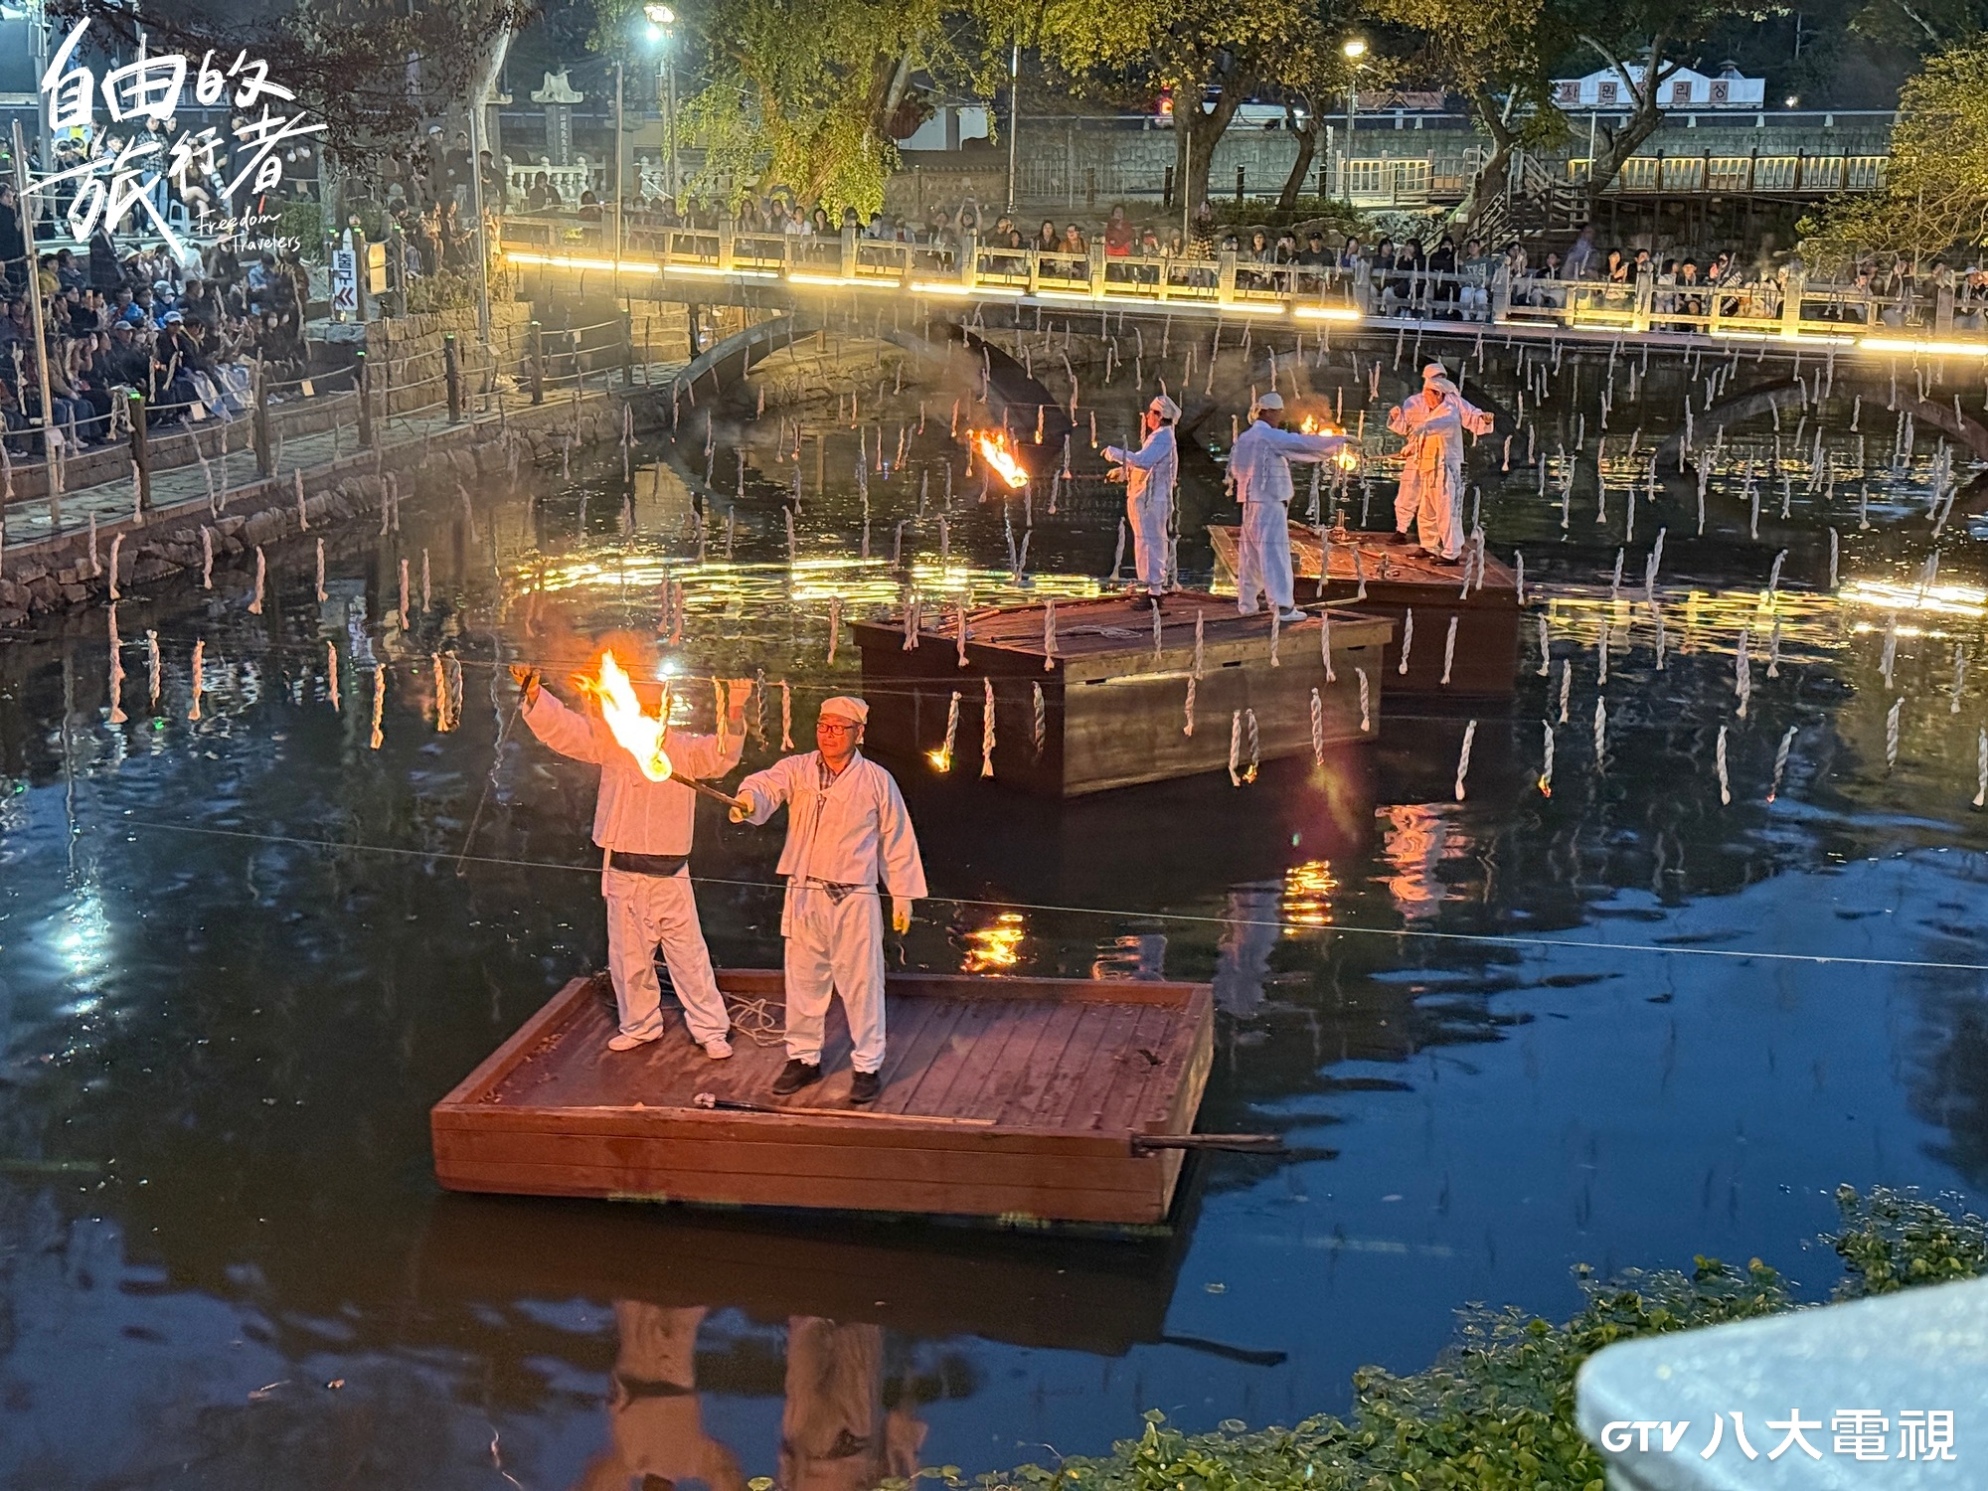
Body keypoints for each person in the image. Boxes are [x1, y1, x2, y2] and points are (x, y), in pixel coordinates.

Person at [508, 658, 751, 1056]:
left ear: (666, 711)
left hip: (669, 874)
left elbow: (722, 756)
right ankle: (640, 1025)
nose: (650, 713)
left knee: (688, 956)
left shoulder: (685, 750)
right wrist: (535, 691)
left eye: (657, 708)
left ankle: (710, 1029)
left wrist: (736, 708)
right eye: (644, 706)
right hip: (622, 870)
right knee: (627, 958)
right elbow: (568, 730)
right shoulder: (613, 743)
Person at [729, 697, 926, 1106]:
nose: (829, 734)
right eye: (823, 725)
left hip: (854, 896)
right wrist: (749, 800)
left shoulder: (876, 780)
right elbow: (767, 784)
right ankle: (803, 1057)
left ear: (859, 733)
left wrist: (902, 895)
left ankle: (867, 1064)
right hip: (805, 891)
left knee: (862, 984)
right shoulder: (798, 769)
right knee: (803, 980)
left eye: (839, 727)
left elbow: (897, 838)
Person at [1228, 391, 1345, 619]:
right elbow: (1301, 444)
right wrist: (1339, 441)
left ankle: (1247, 605)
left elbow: (1235, 469)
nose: (1279, 418)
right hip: (1269, 504)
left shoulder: (1245, 438)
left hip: (1249, 503)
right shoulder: (1269, 436)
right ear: (1270, 412)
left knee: (1250, 557)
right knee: (1275, 554)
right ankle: (1283, 607)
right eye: (1278, 413)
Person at [1387, 361, 1494, 564]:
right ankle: (1427, 544)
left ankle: (1451, 552)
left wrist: (1484, 420)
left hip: (1445, 468)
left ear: (1439, 392)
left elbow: (1440, 425)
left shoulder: (1449, 409)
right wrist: (1409, 446)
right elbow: (1413, 431)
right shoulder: (1415, 403)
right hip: (1425, 463)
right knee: (1425, 508)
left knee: (1446, 510)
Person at [1102, 394, 1180, 603]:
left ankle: (1154, 592)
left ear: (1159, 415)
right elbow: (1148, 467)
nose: (1146, 417)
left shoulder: (1163, 436)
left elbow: (1144, 462)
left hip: (1152, 501)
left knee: (1151, 543)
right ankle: (1151, 589)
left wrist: (1114, 453)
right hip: (1146, 499)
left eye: (1150, 413)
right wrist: (1123, 472)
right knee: (1146, 541)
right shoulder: (1157, 437)